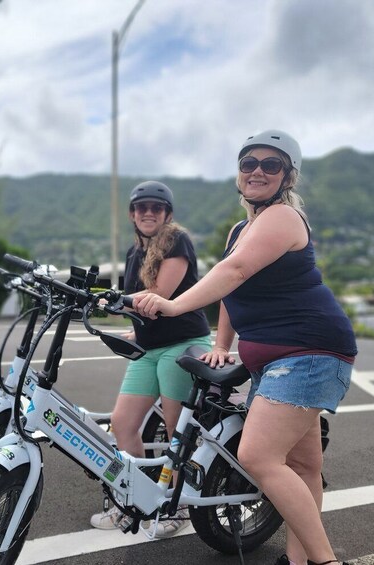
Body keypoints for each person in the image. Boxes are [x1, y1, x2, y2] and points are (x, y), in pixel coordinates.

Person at [132, 131, 356, 565]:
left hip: (307, 353)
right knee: (302, 467)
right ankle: (298, 561)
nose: (257, 170)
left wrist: (173, 304)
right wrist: (220, 343)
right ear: (238, 173)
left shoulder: (282, 218)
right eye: (248, 162)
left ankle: (326, 562)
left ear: (287, 177)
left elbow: (233, 271)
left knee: (258, 455)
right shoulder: (242, 229)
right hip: (278, 359)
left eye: (271, 165)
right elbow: (235, 289)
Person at [89, 180, 211, 538]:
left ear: (167, 214)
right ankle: (136, 500)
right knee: (123, 423)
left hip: (183, 342)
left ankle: (180, 505)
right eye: (141, 208)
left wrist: (113, 299)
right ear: (132, 214)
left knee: (177, 433)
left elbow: (159, 296)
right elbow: (137, 306)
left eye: (156, 208)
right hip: (149, 348)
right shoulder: (133, 253)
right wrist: (134, 329)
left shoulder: (177, 241)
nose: (148, 213)